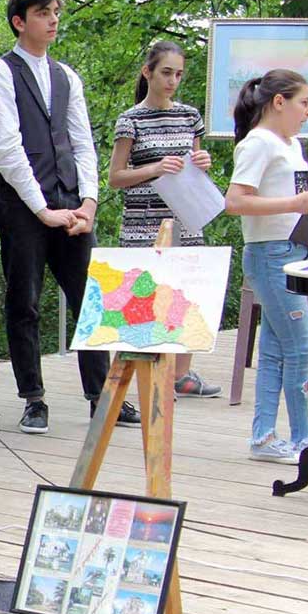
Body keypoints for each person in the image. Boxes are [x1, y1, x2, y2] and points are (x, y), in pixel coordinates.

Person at [0, 0, 140, 434]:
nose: (53, 20)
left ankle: (102, 397)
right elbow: (7, 149)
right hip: (22, 206)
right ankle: (33, 398)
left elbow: (83, 142)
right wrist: (40, 209)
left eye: (56, 12)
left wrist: (89, 201)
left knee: (91, 299)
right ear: (19, 21)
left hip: (70, 201)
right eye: (42, 12)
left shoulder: (67, 75)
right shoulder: (0, 74)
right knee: (24, 301)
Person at [107, 40, 221, 398]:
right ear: (148, 72)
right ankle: (146, 378)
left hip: (185, 217)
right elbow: (115, 177)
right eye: (166, 73)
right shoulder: (130, 120)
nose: (173, 81)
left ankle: (181, 375)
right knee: (145, 300)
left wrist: (202, 162)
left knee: (186, 295)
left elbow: (195, 166)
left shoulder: (189, 116)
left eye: (178, 74)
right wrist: (154, 168)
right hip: (143, 223)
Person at [224, 69, 308, 464]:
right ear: (279, 102)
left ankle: (264, 435)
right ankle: (303, 437)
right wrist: (293, 204)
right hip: (270, 255)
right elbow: (235, 201)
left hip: (294, 251)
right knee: (300, 345)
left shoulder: (293, 145)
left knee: (276, 347)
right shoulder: (258, 143)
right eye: (303, 102)